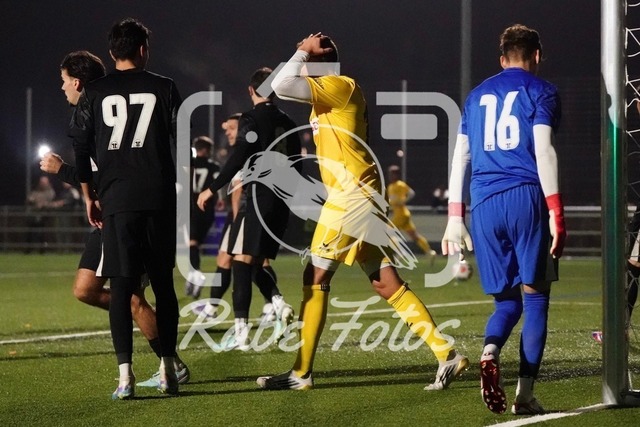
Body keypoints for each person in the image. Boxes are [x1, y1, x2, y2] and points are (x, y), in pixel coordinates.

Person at [255, 33, 468, 391]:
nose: (301, 67)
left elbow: (279, 85)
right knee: (385, 282)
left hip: (350, 196)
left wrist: (301, 51)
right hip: (359, 195)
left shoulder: (340, 86)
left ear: (318, 63)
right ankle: (447, 354)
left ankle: (301, 373)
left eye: (307, 61)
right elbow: (276, 86)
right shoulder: (329, 95)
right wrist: (305, 54)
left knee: (314, 277)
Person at [441, 24, 565, 415]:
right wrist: (556, 211)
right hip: (526, 196)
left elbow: (460, 157)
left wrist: (455, 216)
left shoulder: (475, 95)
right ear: (537, 55)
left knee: (506, 303)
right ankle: (524, 396)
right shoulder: (543, 90)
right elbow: (543, 151)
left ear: (501, 58)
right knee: (536, 298)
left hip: (483, 203)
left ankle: (490, 351)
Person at [71, 18, 182, 399]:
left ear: (111, 52)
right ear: (143, 49)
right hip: (158, 197)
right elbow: (179, 139)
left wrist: (90, 194)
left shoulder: (95, 91)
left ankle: (125, 377)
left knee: (121, 287)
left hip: (117, 198)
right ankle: (168, 369)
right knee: (163, 286)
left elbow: (80, 147)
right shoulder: (165, 86)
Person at [197, 68, 300, 350]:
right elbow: (298, 165)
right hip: (281, 202)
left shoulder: (251, 118)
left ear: (251, 91)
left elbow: (238, 156)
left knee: (242, 263)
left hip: (259, 197)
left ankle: (242, 332)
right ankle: (277, 303)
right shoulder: (289, 122)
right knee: (251, 261)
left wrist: (212, 187)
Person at [185, 135, 220, 299]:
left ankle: (195, 274)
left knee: (191, 242)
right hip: (208, 209)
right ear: (206, 150)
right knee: (195, 244)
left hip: (191, 206)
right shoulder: (213, 166)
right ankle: (192, 275)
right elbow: (219, 185)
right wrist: (221, 200)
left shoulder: (189, 163)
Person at [386, 165, 437, 264]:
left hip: (401, 215)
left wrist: (403, 201)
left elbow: (411, 193)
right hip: (402, 214)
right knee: (414, 236)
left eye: (393, 174)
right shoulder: (390, 187)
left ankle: (401, 252)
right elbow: (392, 200)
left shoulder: (400, 184)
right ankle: (430, 252)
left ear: (397, 175)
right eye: (390, 174)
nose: (391, 176)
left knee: (387, 232)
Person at [25, 176, 55, 253]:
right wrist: (34, 201)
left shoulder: (50, 192)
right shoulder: (36, 191)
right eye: (42, 182)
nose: (43, 184)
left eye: (44, 182)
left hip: (44, 215)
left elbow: (49, 202)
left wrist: (41, 204)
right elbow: (30, 199)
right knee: (30, 232)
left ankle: (42, 250)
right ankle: (28, 249)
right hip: (33, 215)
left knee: (42, 233)